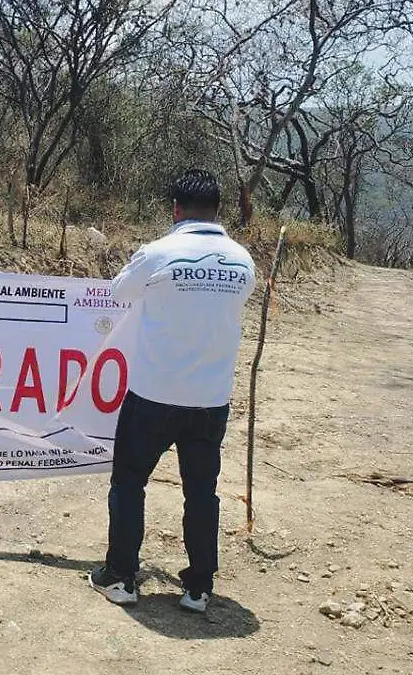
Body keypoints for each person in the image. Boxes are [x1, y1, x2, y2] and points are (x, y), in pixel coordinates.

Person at [89, 169, 257, 613]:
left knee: (129, 481)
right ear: (219, 209)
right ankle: (199, 588)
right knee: (201, 492)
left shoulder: (158, 252)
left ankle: (121, 577)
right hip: (211, 399)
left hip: (153, 394)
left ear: (176, 209)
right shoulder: (243, 260)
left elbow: (117, 291)